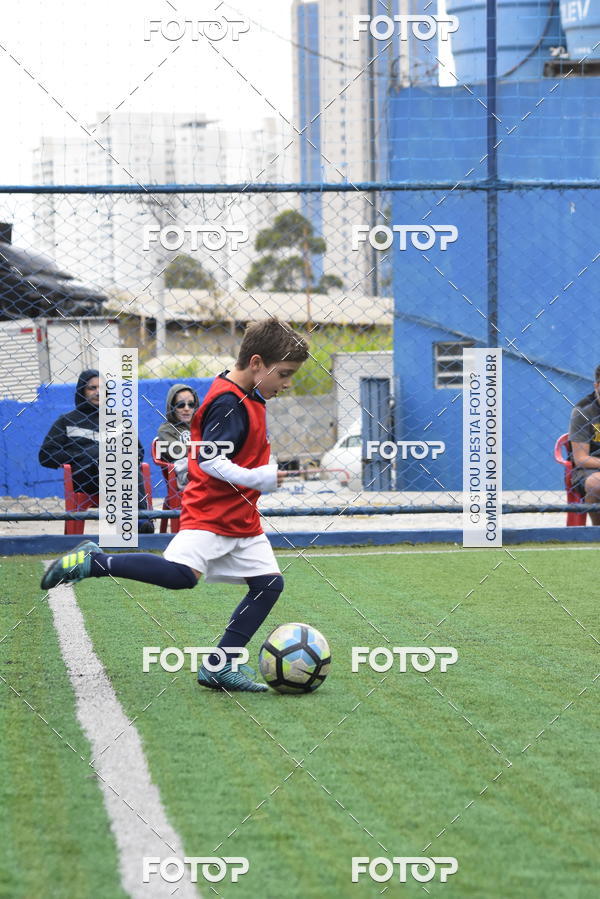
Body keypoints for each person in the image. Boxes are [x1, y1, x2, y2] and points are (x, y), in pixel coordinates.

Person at [41, 319, 310, 692]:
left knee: (268, 585)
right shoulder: (228, 402)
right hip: (212, 514)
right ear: (257, 363)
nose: (287, 383)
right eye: (284, 374)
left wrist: (261, 469)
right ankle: (96, 561)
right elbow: (211, 461)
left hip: (241, 517)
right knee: (181, 576)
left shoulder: (250, 397)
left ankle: (219, 665)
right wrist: (258, 478)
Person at [39, 369, 155, 534]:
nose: (98, 392)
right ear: (82, 391)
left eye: (102, 388)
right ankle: (137, 520)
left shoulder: (119, 419)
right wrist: (85, 455)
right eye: (92, 388)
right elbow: (46, 455)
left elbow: (138, 451)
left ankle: (139, 521)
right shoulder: (66, 421)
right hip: (86, 477)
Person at [568, 364, 600, 525]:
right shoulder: (583, 411)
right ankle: (597, 531)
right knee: (597, 483)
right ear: (597, 386)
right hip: (589, 471)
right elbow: (581, 459)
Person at [155, 383, 200, 489]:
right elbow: (178, 452)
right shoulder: (166, 430)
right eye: (180, 405)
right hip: (184, 474)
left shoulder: (200, 426)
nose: (187, 408)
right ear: (172, 407)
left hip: (204, 467)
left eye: (191, 404)